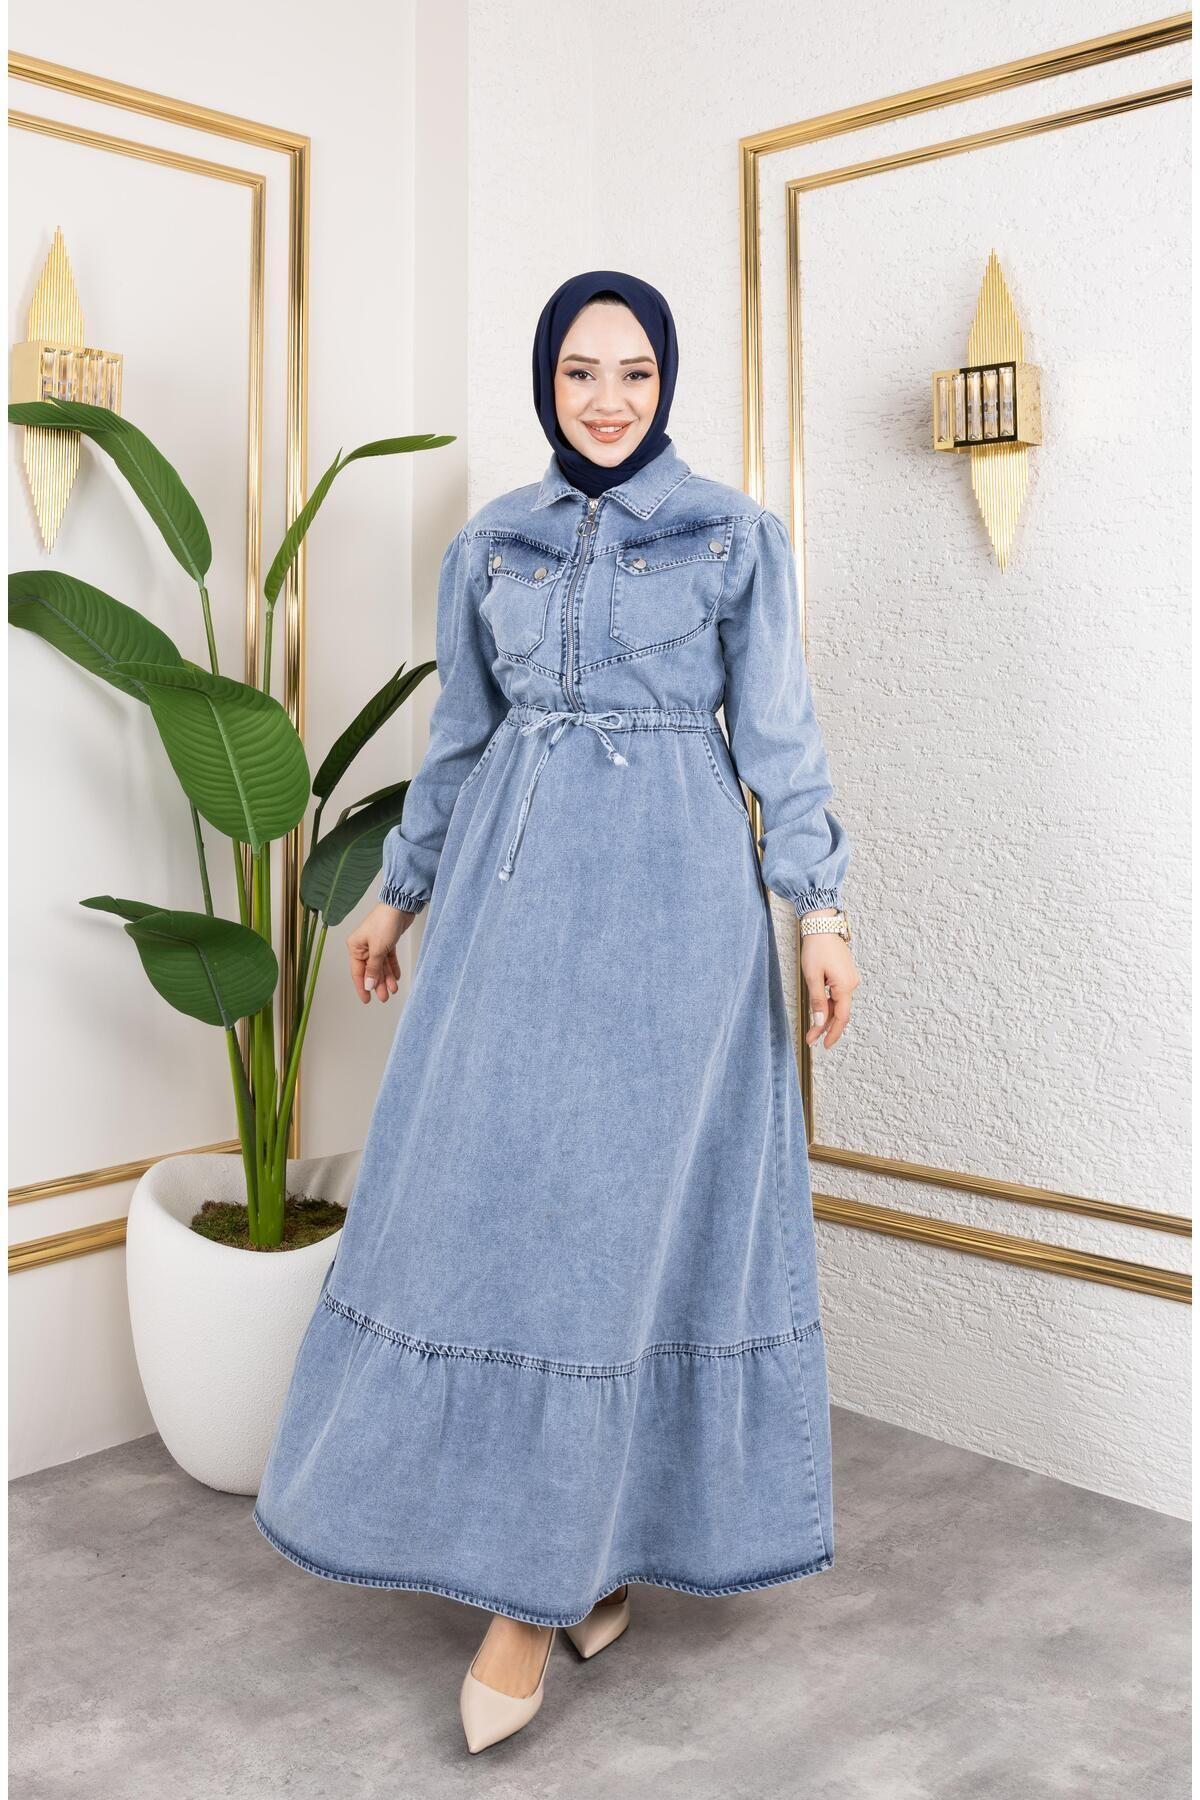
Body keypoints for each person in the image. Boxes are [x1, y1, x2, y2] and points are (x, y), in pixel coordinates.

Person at [252, 269, 861, 1755]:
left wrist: (820, 911)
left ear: (667, 384)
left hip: (676, 919)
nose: (608, 399)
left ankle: (529, 1602)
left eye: (635, 373)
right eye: (582, 371)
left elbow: (779, 736)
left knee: (619, 1230)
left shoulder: (733, 536)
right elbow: (459, 739)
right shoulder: (492, 545)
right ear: (547, 381)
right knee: (508, 1214)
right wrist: (397, 893)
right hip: (509, 917)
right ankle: (578, 1563)